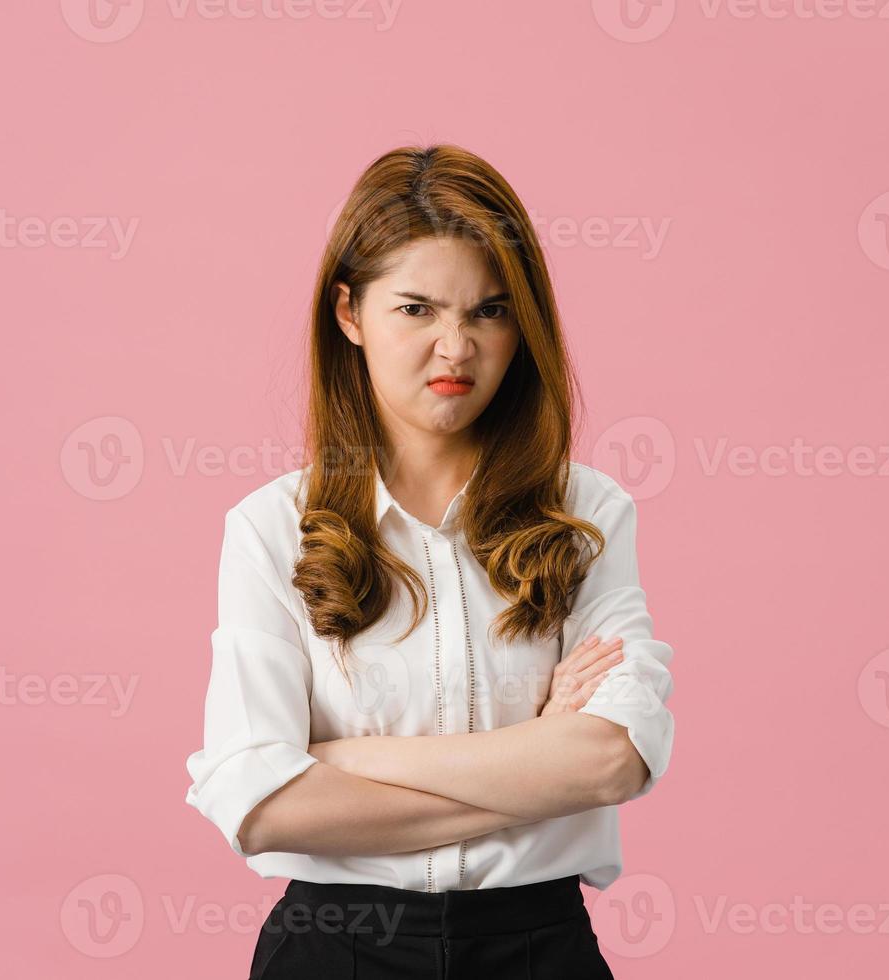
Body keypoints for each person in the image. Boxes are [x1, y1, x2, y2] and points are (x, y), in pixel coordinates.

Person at [185, 143, 676, 979]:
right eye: (416, 310)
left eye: (488, 312)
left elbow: (607, 759)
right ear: (349, 314)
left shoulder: (586, 515)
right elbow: (261, 804)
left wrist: (345, 763)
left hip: (538, 947)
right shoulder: (271, 528)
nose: (456, 349)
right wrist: (530, 761)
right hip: (331, 952)